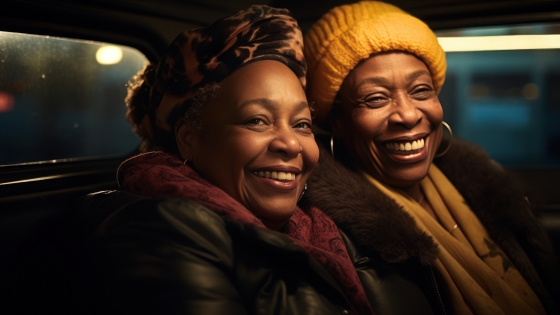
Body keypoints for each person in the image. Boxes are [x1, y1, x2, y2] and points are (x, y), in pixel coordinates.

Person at [78, 6, 373, 315]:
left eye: (302, 124)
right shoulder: (166, 234)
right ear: (189, 137)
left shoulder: (316, 225)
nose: (290, 144)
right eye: (257, 120)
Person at [300, 1, 560, 315]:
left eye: (421, 90)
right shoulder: (329, 240)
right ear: (337, 122)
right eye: (376, 98)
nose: (408, 115)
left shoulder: (487, 184)